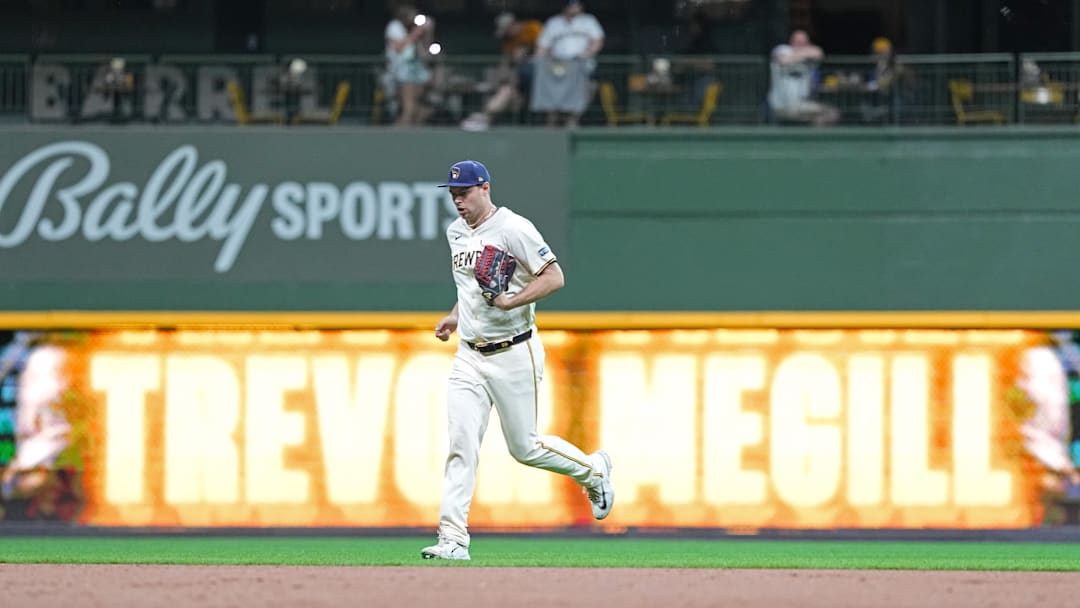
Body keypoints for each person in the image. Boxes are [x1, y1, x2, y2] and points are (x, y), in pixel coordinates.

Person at [421, 160, 614, 560]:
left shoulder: (513, 228)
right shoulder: (455, 232)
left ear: (486, 188)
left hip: (514, 351)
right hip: (469, 357)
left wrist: (512, 299)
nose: (458, 201)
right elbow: (472, 288)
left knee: (524, 448)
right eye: (453, 194)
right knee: (461, 444)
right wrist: (454, 318)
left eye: (465, 192)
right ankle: (453, 539)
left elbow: (554, 276)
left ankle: (593, 470)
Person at [460, 12, 544, 131]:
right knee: (505, 91)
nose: (506, 35)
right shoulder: (509, 42)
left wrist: (524, 55)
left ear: (512, 25)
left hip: (539, 82)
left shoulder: (532, 28)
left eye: (506, 31)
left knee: (508, 89)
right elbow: (506, 63)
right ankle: (483, 118)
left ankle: (483, 118)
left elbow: (544, 50)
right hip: (520, 91)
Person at [530, 0, 605, 128]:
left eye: (577, 4)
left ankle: (572, 121)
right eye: (572, 4)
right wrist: (538, 58)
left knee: (585, 93)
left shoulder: (588, 21)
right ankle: (552, 123)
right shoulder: (554, 22)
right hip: (557, 68)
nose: (575, 7)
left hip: (581, 66)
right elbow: (542, 46)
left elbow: (598, 41)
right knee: (552, 95)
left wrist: (587, 53)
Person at [767, 30, 839, 126]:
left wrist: (802, 55)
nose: (801, 45)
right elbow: (784, 60)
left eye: (804, 43)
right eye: (798, 42)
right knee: (827, 113)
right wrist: (802, 54)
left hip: (801, 104)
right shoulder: (783, 49)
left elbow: (818, 53)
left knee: (832, 113)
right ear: (791, 42)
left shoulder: (807, 59)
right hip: (780, 105)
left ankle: (813, 139)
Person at [384, 4, 435, 126]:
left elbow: (427, 49)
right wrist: (417, 32)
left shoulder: (413, 28)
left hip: (417, 71)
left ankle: (412, 137)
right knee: (409, 109)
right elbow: (398, 47)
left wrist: (428, 32)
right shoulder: (394, 27)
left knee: (421, 110)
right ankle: (396, 136)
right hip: (402, 72)